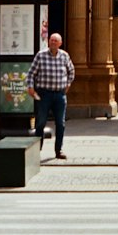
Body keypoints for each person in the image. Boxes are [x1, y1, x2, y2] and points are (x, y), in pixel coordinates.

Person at [26, 32, 75, 160]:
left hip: (60, 95)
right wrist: (30, 87)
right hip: (44, 94)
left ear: (60, 43)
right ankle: (36, 150)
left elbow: (71, 71)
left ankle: (59, 150)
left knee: (61, 123)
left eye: (55, 41)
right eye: (51, 40)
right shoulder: (41, 55)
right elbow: (31, 73)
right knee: (40, 122)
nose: (53, 42)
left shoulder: (65, 56)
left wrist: (68, 84)